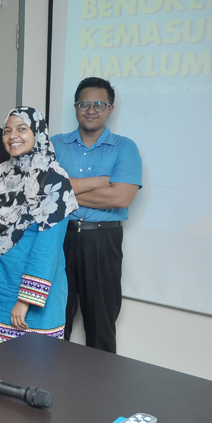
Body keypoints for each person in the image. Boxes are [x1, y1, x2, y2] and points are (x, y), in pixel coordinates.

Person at [0, 107, 78, 351]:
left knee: (32, 364)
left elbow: (48, 248)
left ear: (37, 133)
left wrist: (26, 300)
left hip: (34, 293)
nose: (12, 136)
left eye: (22, 129)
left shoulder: (54, 179)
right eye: (7, 130)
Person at [52, 77, 142, 354]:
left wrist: (63, 192)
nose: (91, 110)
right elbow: (42, 192)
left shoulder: (125, 147)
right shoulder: (55, 144)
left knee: (101, 323)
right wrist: (100, 182)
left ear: (110, 109)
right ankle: (49, 376)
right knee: (55, 318)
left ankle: (101, 382)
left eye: (99, 104)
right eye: (84, 104)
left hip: (103, 240)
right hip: (59, 238)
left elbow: (121, 197)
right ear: (75, 107)